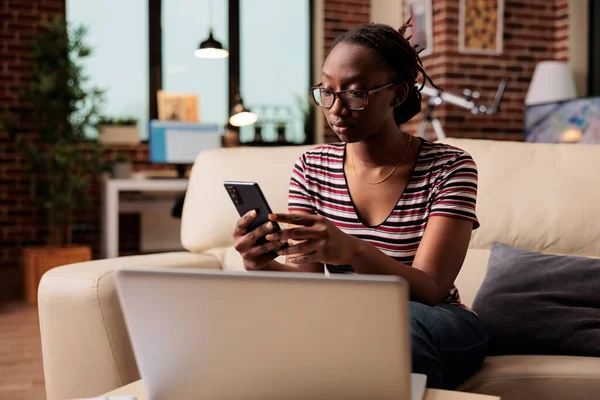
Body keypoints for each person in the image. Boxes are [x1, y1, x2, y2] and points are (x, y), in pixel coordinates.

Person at [232, 22, 488, 390]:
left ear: (397, 94)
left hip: (436, 319)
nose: (336, 108)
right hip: (345, 318)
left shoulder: (450, 167)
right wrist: (257, 264)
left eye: (355, 93)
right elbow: (305, 280)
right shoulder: (312, 167)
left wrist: (352, 250)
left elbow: (431, 287)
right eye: (327, 91)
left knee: (395, 328)